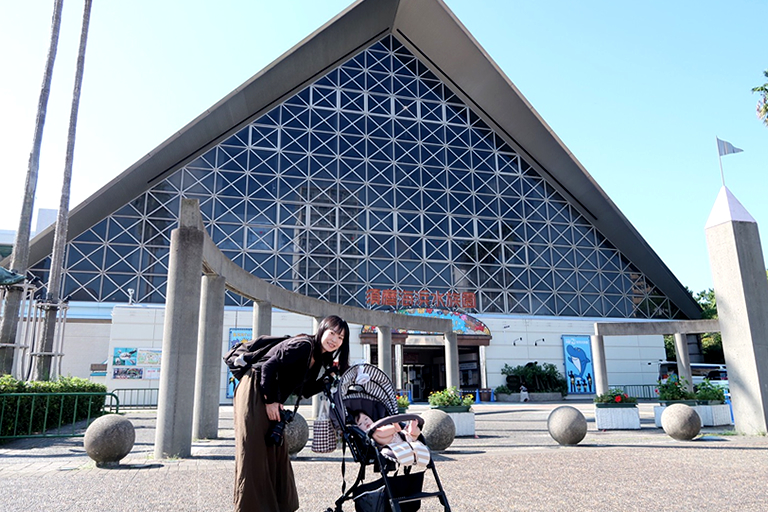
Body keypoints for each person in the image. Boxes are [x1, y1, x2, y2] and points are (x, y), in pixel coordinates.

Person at [233, 315, 350, 512]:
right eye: (332, 333)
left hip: (270, 394)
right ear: (322, 329)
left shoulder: (318, 357)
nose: (335, 340)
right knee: (253, 451)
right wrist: (270, 401)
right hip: (255, 389)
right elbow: (268, 366)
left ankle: (278, 506)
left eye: (340, 338)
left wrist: (326, 380)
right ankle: (250, 508)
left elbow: (302, 391)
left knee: (276, 449)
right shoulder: (303, 346)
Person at [353, 410, 430, 467]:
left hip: (403, 437)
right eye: (360, 424)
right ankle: (396, 428)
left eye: (366, 419)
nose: (365, 422)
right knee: (375, 433)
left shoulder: (379, 424)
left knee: (415, 433)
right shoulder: (368, 432)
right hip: (389, 443)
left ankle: (411, 429)